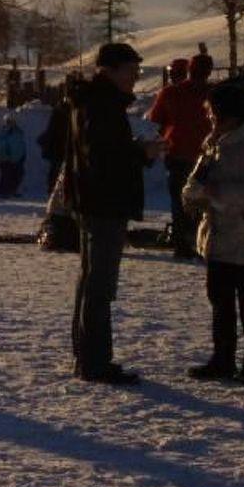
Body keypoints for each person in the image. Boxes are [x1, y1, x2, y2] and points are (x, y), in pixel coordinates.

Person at [65, 41, 162, 386]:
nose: (135, 77)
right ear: (111, 70)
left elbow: (100, 152)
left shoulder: (91, 100)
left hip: (93, 200)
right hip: (104, 202)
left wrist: (134, 151)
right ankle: (95, 361)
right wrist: (141, 154)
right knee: (100, 285)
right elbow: (103, 157)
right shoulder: (102, 104)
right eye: (131, 71)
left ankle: (87, 356)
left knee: (91, 280)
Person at [181, 80, 244, 384]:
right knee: (220, 303)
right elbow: (195, 183)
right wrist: (193, 194)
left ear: (231, 115)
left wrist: (220, 193)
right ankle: (222, 359)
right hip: (219, 236)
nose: (209, 120)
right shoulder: (213, 144)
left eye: (213, 114)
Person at [149, 56, 214, 260]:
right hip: (207, 155)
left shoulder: (170, 93)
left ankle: (181, 242)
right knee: (206, 200)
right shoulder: (214, 93)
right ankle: (201, 240)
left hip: (177, 153)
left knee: (179, 201)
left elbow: (156, 121)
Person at [40, 77, 78, 200]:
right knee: (58, 173)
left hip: (61, 149)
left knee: (59, 173)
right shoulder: (65, 111)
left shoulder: (61, 110)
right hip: (60, 149)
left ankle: (57, 195)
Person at [0, 115, 27, 198]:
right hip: (6, 159)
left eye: (11, 121)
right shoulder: (3, 133)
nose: (10, 123)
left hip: (18, 158)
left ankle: (13, 190)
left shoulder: (18, 132)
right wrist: (4, 155)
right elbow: (1, 145)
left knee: (17, 175)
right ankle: (3, 192)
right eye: (8, 121)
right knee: (6, 176)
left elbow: (21, 144)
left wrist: (23, 155)